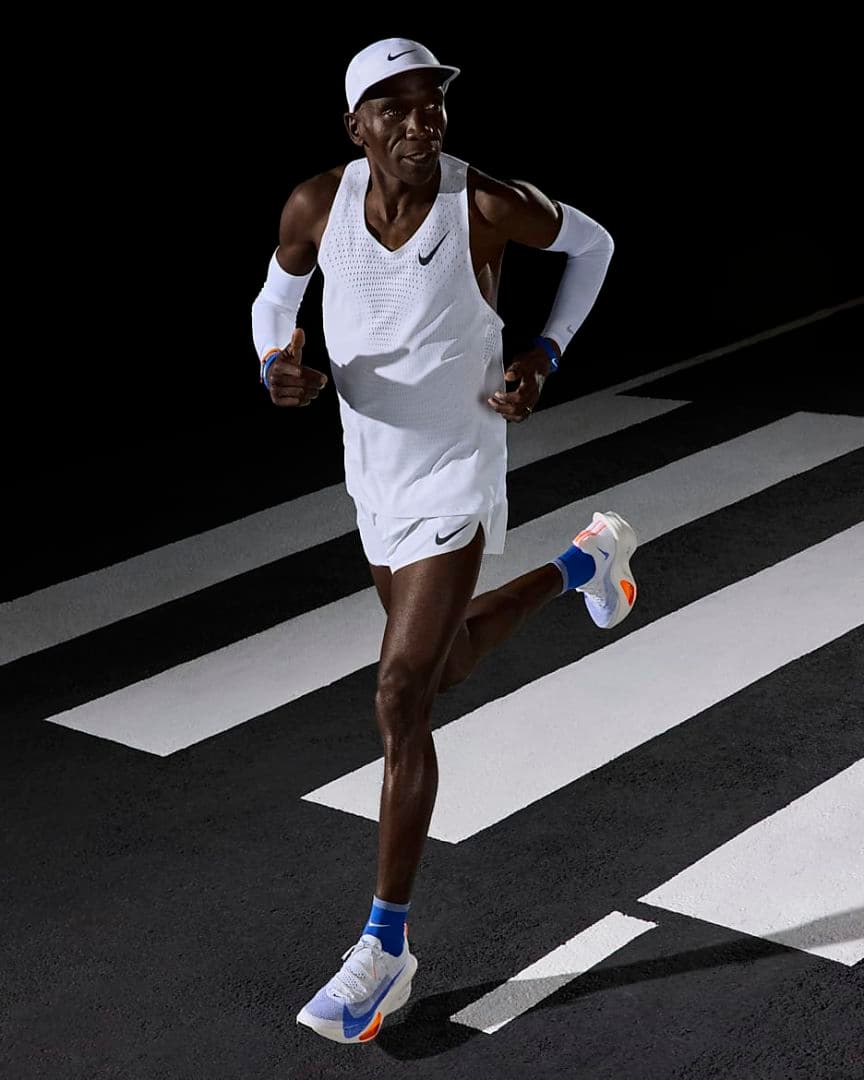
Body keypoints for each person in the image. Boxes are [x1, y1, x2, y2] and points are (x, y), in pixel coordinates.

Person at [250, 37, 638, 1045]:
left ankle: (385, 948)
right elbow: (273, 301)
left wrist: (543, 354)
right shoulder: (315, 206)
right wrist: (274, 364)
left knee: (398, 694)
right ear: (356, 127)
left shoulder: (486, 204)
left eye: (433, 103)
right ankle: (587, 561)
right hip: (374, 477)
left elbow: (594, 246)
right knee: (444, 663)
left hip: (457, 472)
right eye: (396, 106)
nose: (421, 121)